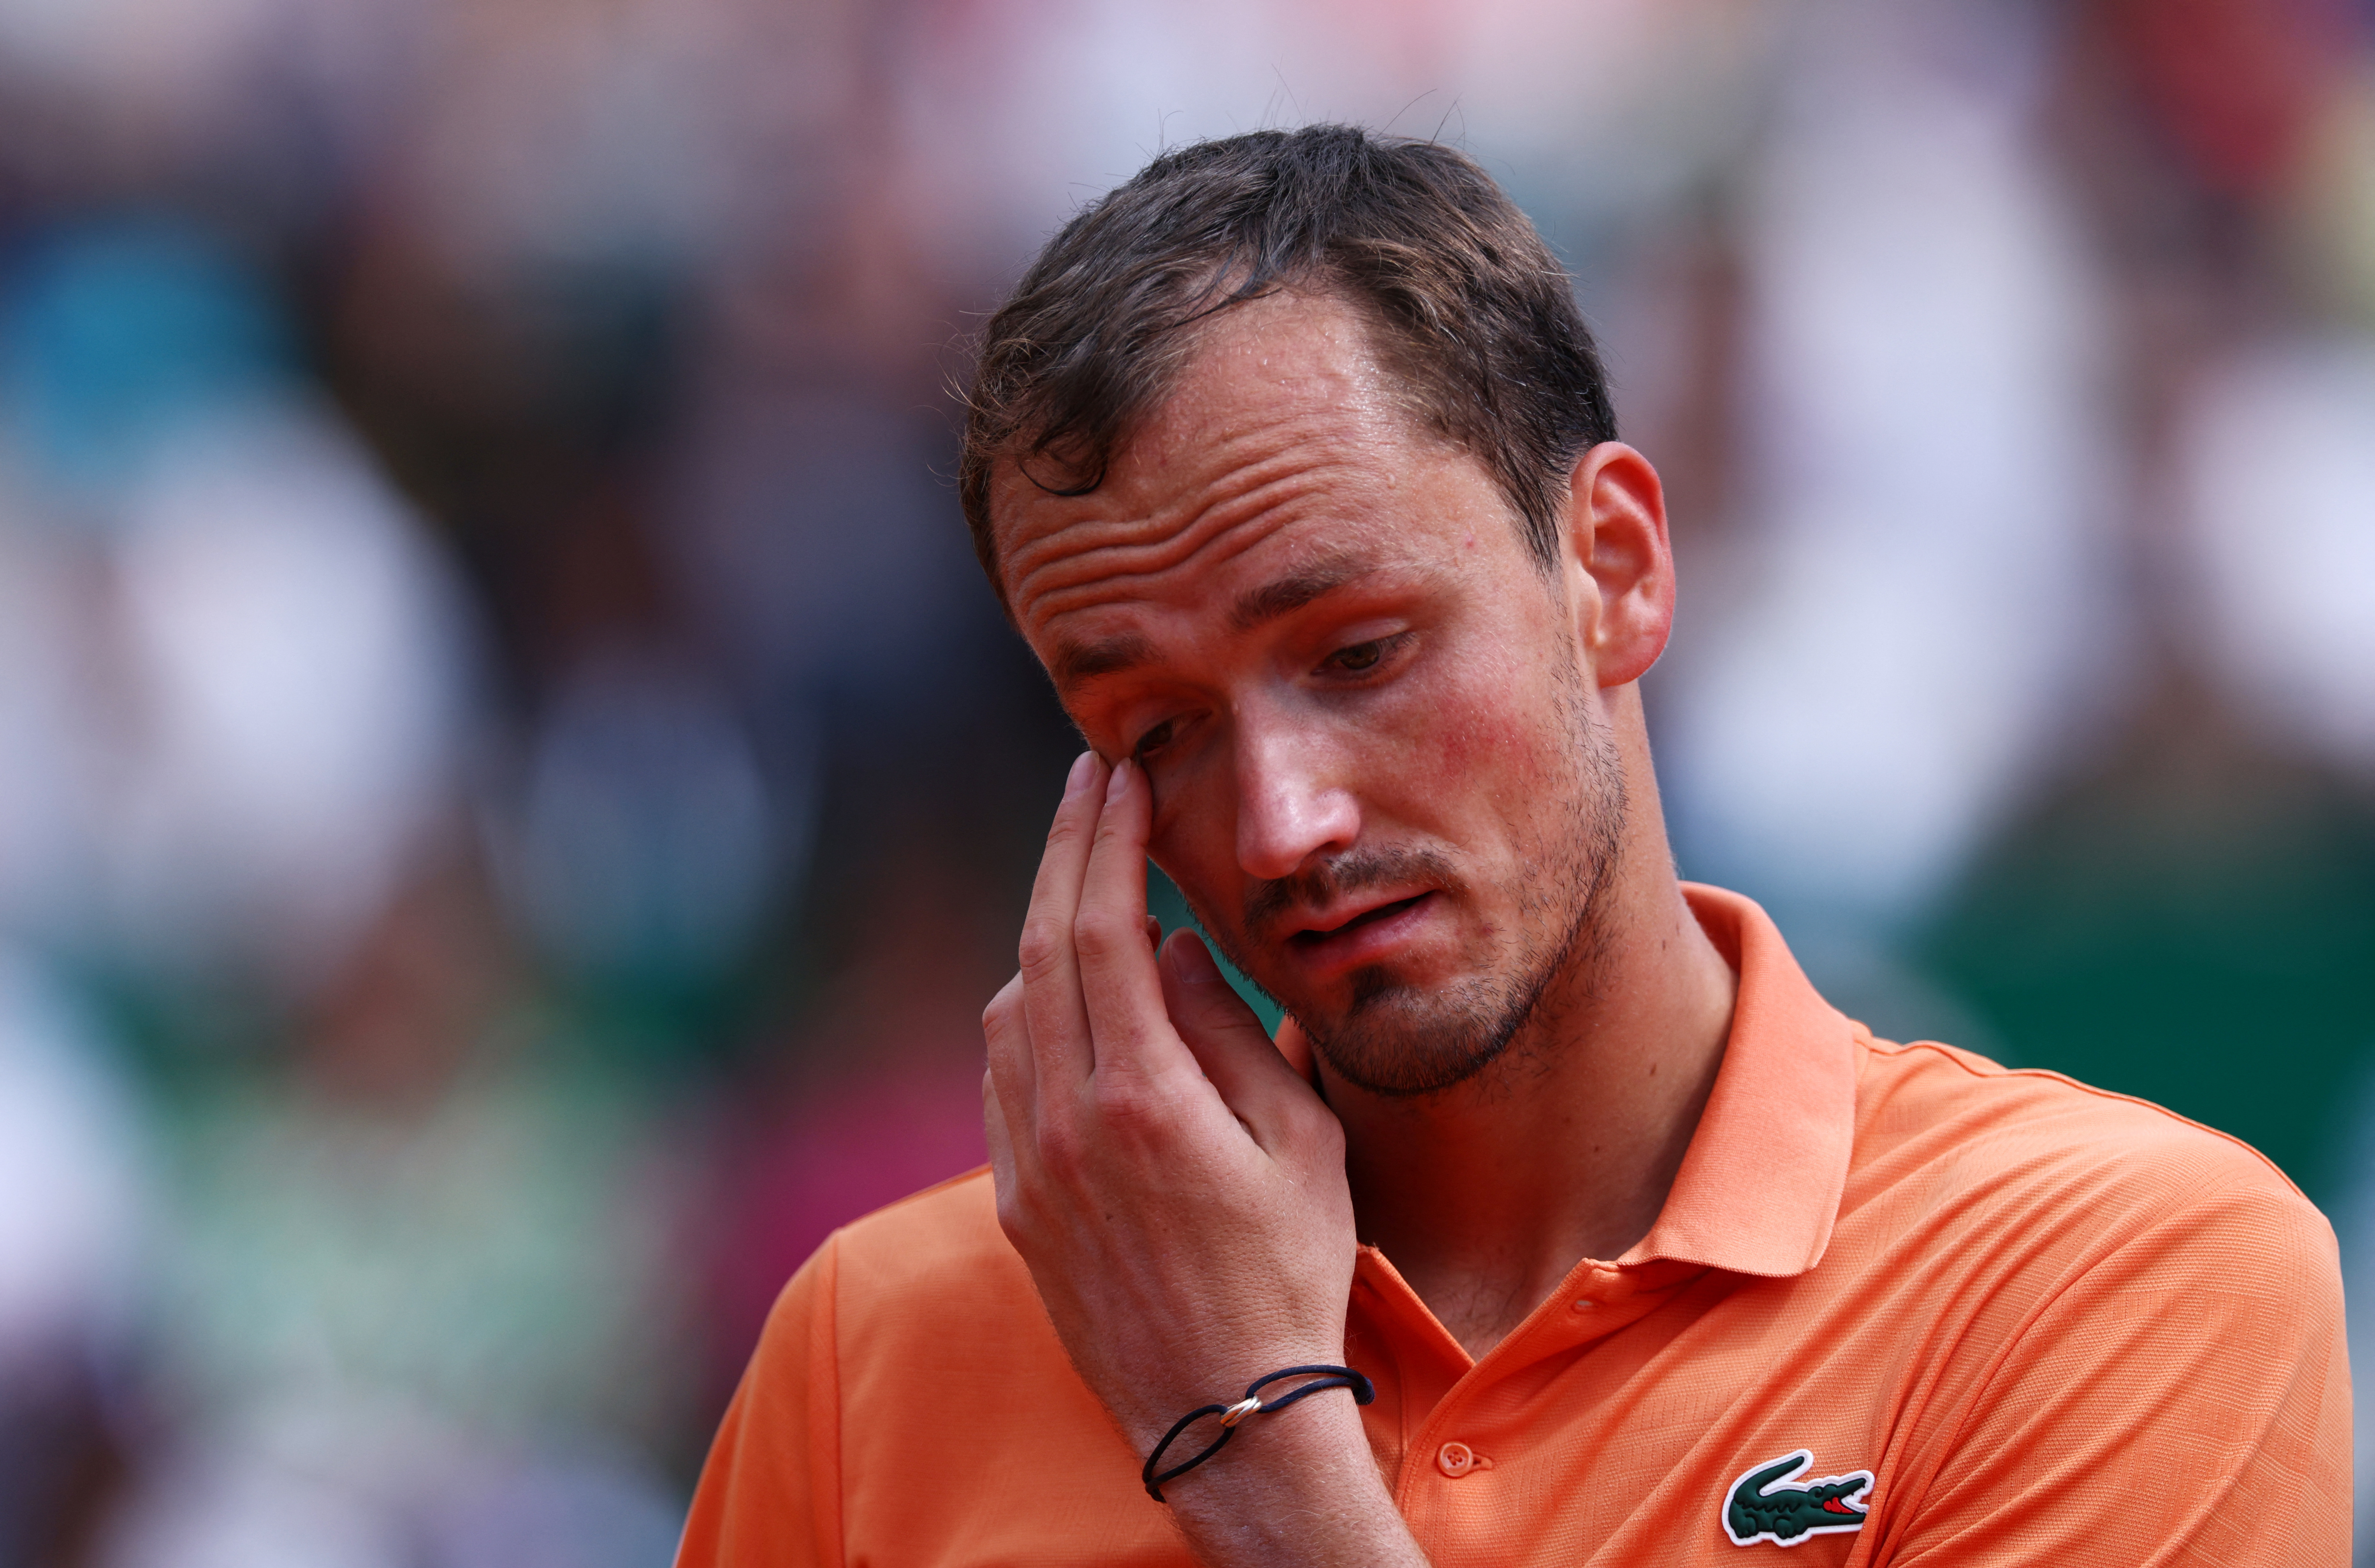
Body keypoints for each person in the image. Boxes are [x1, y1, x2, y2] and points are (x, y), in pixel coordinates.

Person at [675, 126, 2348, 1566]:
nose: (1281, 822)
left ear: (1612, 565)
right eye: (1155, 730)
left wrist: (1252, 1446)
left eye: (1358, 653)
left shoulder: (2120, 1274)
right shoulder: (867, 1347)